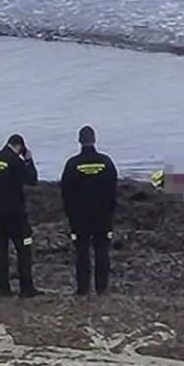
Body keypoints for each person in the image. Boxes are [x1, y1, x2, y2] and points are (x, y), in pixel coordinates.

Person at [0, 134, 40, 297]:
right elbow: (32, 180)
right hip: (15, 213)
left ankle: (3, 287)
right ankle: (26, 288)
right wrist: (28, 160)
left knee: (0, 249)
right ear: (20, 147)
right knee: (24, 248)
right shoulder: (16, 162)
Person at [60, 125, 118, 295]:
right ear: (94, 139)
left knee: (81, 252)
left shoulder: (72, 164)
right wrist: (110, 212)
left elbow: (65, 191)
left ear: (79, 140)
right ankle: (101, 288)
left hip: (80, 216)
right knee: (102, 251)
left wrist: (70, 214)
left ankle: (83, 288)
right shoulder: (106, 162)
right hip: (102, 216)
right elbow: (113, 189)